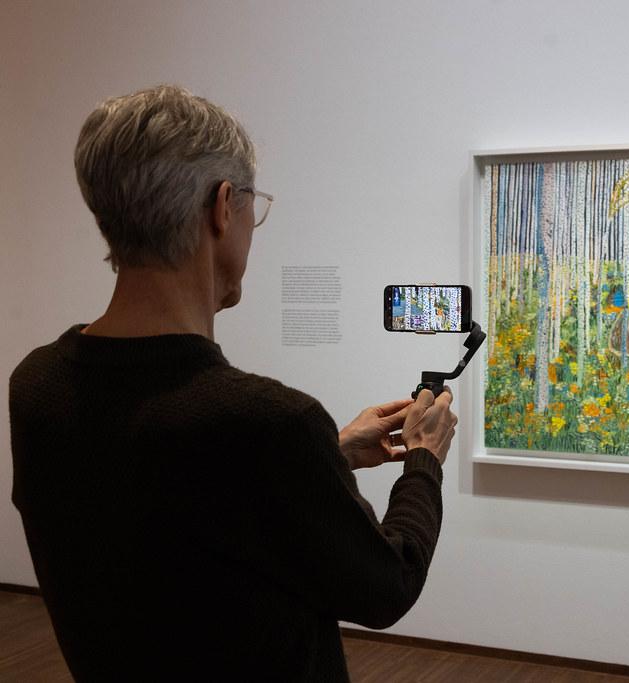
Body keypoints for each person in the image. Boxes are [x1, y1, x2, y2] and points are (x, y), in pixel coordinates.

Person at [8, 84, 457, 682]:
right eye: (253, 206)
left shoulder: (37, 387)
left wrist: (330, 453)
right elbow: (388, 584)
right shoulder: (268, 422)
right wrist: (423, 460)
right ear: (223, 207)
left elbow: (179, 507)